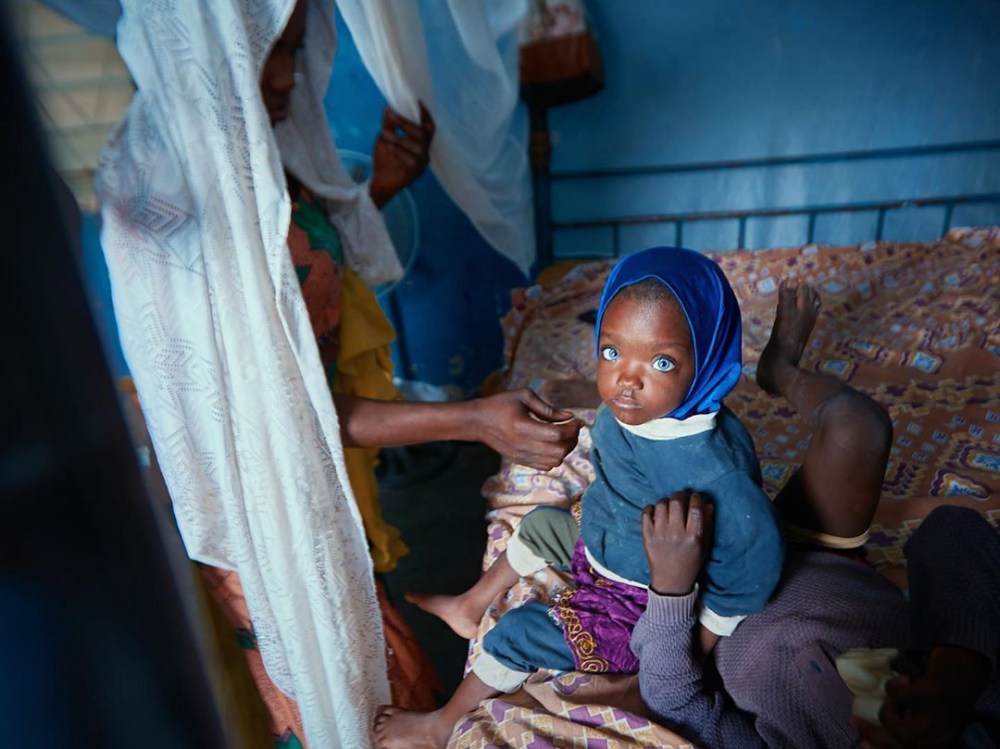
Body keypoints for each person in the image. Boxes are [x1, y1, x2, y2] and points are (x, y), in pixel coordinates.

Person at [97, 1, 583, 746]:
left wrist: (379, 187)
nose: (291, 74)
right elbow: (279, 408)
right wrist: (473, 416)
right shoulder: (165, 203)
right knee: (354, 690)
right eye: (271, 52)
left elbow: (299, 282)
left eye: (296, 48)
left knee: (370, 658)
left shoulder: (259, 157)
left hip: (324, 469)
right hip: (264, 502)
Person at [375, 246, 785, 748]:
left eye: (660, 361)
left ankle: (440, 725)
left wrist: (682, 657)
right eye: (611, 352)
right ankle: (471, 603)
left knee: (520, 632)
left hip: (641, 601)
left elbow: (748, 575)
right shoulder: (628, 412)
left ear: (707, 361)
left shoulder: (714, 472)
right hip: (607, 546)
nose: (625, 380)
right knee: (543, 523)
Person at [631, 281, 1000, 748]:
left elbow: (673, 700)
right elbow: (954, 532)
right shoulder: (962, 709)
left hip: (715, 598)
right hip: (820, 553)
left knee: (644, 465)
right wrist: (957, 674)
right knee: (857, 426)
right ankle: (780, 369)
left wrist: (671, 587)